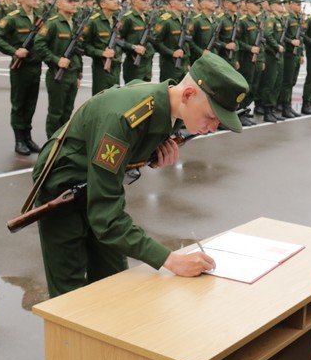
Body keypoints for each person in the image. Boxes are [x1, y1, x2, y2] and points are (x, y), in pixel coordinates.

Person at [30, 53, 248, 297]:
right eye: (211, 117)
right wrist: (170, 260)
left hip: (100, 183)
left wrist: (148, 155)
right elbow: (107, 219)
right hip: (63, 188)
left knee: (115, 279)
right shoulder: (123, 118)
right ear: (188, 95)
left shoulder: (169, 105)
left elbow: (126, 155)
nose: (213, 128)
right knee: (69, 293)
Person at [0, 0, 45, 156]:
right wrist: (14, 52)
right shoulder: (13, 17)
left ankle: (27, 137)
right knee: (19, 104)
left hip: (35, 67)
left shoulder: (39, 17)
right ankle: (19, 140)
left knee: (31, 104)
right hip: (20, 68)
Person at [33, 0, 85, 139]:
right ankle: (52, 143)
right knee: (56, 113)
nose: (74, 4)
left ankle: (63, 140)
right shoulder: (53, 23)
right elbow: (39, 45)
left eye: (75, 1)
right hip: (58, 74)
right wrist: (56, 60)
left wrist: (79, 71)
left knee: (68, 111)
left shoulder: (75, 24)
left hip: (72, 73)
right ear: (59, 4)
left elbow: (77, 50)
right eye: (69, 1)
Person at [83, 0, 124, 95]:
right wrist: (101, 53)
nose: (116, 1)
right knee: (100, 101)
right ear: (103, 4)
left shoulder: (116, 21)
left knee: (114, 100)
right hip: (101, 69)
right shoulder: (94, 22)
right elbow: (83, 45)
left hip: (116, 67)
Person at [153, 0, 192, 83]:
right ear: (172, 3)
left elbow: (186, 44)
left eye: (184, 0)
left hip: (183, 64)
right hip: (169, 65)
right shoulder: (165, 20)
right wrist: (171, 53)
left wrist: (187, 63)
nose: (183, 2)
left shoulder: (184, 19)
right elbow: (155, 41)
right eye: (180, 0)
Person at [119, 0, 156, 83]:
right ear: (134, 1)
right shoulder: (128, 18)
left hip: (147, 63)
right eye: (143, 0)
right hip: (134, 63)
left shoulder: (147, 18)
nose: (147, 2)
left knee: (146, 95)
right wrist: (133, 47)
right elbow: (118, 40)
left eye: (147, 0)